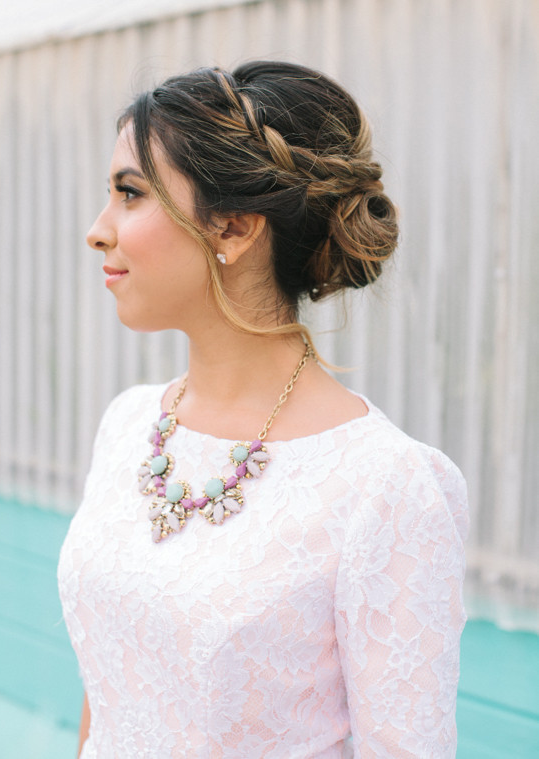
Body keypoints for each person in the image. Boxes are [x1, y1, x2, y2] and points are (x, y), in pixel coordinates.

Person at [58, 60, 469, 759]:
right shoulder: (128, 425)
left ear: (235, 228)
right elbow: (110, 694)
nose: (98, 230)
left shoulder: (386, 486)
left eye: (130, 193)